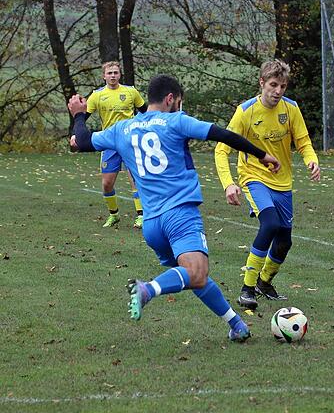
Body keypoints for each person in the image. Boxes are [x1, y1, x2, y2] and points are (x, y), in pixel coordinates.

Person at [67, 74, 281, 342]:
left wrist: (79, 115)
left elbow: (81, 142)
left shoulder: (123, 129)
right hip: (180, 215)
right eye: (178, 102)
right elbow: (223, 134)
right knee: (194, 272)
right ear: (170, 99)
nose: (179, 107)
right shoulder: (176, 121)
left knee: (193, 277)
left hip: (152, 224)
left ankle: (236, 325)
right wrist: (263, 155)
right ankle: (148, 289)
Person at [214, 59, 320, 309]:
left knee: (284, 241)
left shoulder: (291, 109)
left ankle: (264, 283)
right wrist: (228, 183)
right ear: (262, 83)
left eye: (283, 86)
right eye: (273, 85)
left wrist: (311, 160)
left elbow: (303, 142)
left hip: (282, 183)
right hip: (254, 177)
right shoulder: (245, 111)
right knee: (270, 223)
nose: (278, 91)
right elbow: (221, 150)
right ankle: (246, 289)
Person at [84, 62, 148, 228]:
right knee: (107, 183)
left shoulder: (130, 92)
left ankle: (141, 215)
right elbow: (83, 117)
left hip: (129, 142)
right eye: (109, 73)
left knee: (135, 179)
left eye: (115, 73)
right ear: (104, 76)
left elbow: (145, 112)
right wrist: (77, 135)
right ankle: (114, 215)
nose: (113, 76)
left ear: (120, 75)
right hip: (109, 143)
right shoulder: (97, 95)